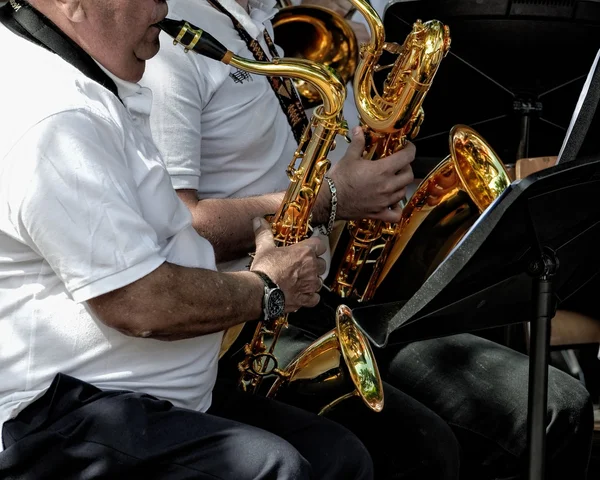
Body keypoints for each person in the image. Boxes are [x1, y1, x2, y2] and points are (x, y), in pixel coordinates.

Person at [141, 1, 595, 480]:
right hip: (244, 321)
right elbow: (178, 226)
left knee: (555, 408)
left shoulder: (259, 21)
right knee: (423, 449)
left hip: (322, 292)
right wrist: (335, 196)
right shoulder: (175, 43)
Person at [0, 1, 379, 479]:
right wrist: (267, 289)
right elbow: (140, 304)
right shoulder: (55, 118)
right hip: (62, 415)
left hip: (145, 398)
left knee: (339, 457)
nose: (165, 5)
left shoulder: (78, 79)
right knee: (277, 469)